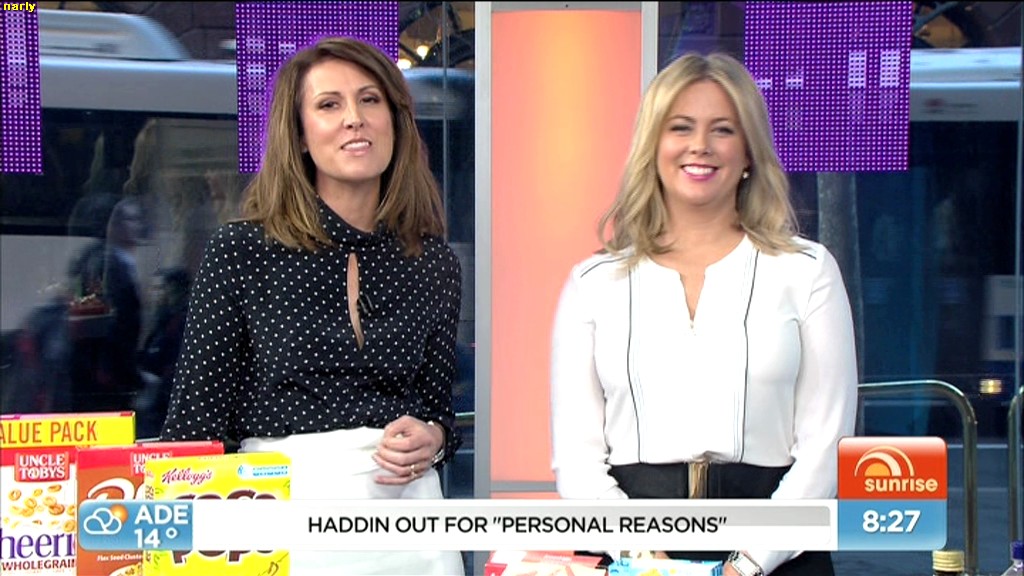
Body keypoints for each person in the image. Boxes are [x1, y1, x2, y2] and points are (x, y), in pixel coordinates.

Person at [161, 36, 464, 576]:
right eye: (329, 104)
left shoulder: (431, 261)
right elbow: (195, 425)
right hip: (279, 525)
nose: (354, 119)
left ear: (395, 121)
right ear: (299, 134)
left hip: (411, 526)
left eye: (370, 100)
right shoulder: (242, 252)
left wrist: (434, 437)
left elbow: (438, 411)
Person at [549, 52, 858, 576]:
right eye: (681, 127)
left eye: (723, 130)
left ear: (749, 151)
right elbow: (577, 460)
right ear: (654, 146)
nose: (700, 145)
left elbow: (827, 449)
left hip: (780, 554)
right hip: (633, 555)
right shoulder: (593, 283)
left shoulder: (807, 271)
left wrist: (747, 564)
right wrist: (644, 559)